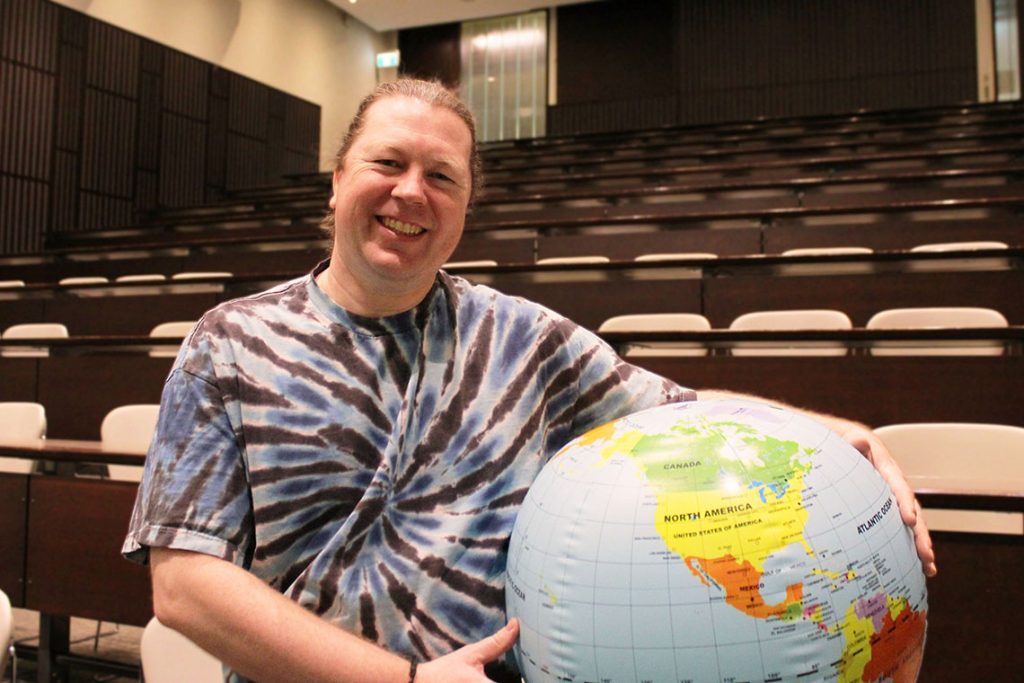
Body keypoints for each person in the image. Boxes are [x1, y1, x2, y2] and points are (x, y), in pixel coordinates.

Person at [123, 78, 935, 683]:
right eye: (389, 163)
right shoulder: (228, 343)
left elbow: (681, 410)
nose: (412, 192)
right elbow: (186, 585)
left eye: (442, 176)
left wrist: (842, 435)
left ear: (465, 206)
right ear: (336, 181)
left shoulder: (523, 337)